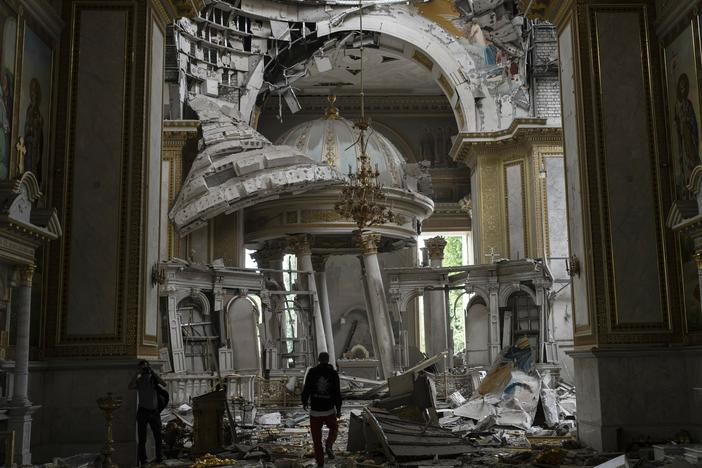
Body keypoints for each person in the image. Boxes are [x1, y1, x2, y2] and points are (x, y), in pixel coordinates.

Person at [301, 352, 342, 467]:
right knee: (334, 428)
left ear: (318, 360)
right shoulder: (333, 374)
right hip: (329, 410)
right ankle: (329, 443)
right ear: (328, 360)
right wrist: (338, 409)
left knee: (316, 440)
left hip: (315, 412)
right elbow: (337, 393)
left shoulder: (312, 372)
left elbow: (307, 388)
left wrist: (304, 401)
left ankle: (320, 463)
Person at [128, 360, 166, 465]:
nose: (145, 370)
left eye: (146, 368)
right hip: (143, 412)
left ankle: (159, 457)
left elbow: (164, 384)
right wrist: (137, 373)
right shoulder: (139, 380)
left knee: (158, 436)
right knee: (142, 437)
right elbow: (130, 386)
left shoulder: (153, 379)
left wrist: (153, 372)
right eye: (143, 368)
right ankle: (143, 459)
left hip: (154, 412)